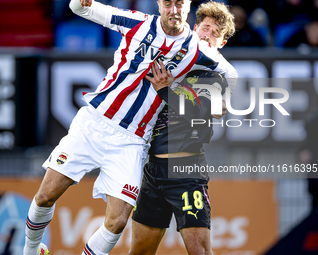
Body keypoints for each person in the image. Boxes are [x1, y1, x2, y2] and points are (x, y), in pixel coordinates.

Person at [23, 0, 236, 255]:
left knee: (118, 222)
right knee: (46, 195)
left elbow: (228, 76)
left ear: (188, 7)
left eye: (180, 4)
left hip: (137, 144)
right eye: (169, 3)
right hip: (95, 123)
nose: (174, 10)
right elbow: (80, 9)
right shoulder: (138, 23)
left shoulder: (200, 57)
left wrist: (222, 98)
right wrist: (80, 3)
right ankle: (30, 251)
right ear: (159, 4)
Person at [129, 2, 236, 254]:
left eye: (216, 33)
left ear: (221, 44)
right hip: (152, 173)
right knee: (140, 251)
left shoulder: (215, 77)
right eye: (206, 27)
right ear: (194, 28)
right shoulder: (165, 61)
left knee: (199, 250)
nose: (208, 34)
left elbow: (198, 112)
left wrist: (166, 90)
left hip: (186, 174)